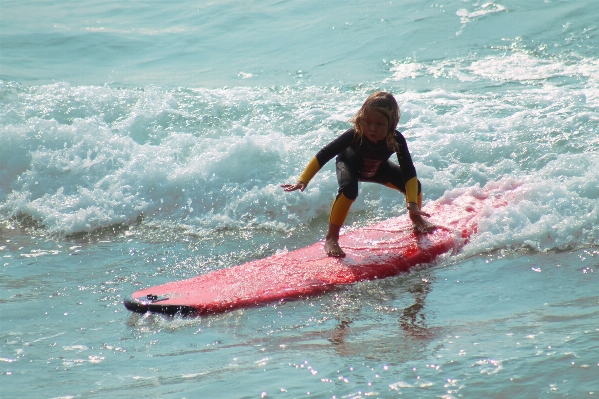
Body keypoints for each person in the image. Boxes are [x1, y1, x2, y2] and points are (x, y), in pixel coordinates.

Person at [282, 91, 434, 257]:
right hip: (349, 165)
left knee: (414, 185)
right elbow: (325, 153)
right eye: (368, 122)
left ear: (392, 124)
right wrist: (303, 179)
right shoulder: (354, 135)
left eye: (379, 124)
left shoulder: (396, 139)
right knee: (349, 191)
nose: (372, 128)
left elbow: (408, 171)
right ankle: (332, 238)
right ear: (361, 119)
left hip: (379, 169)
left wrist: (412, 202)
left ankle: (416, 217)